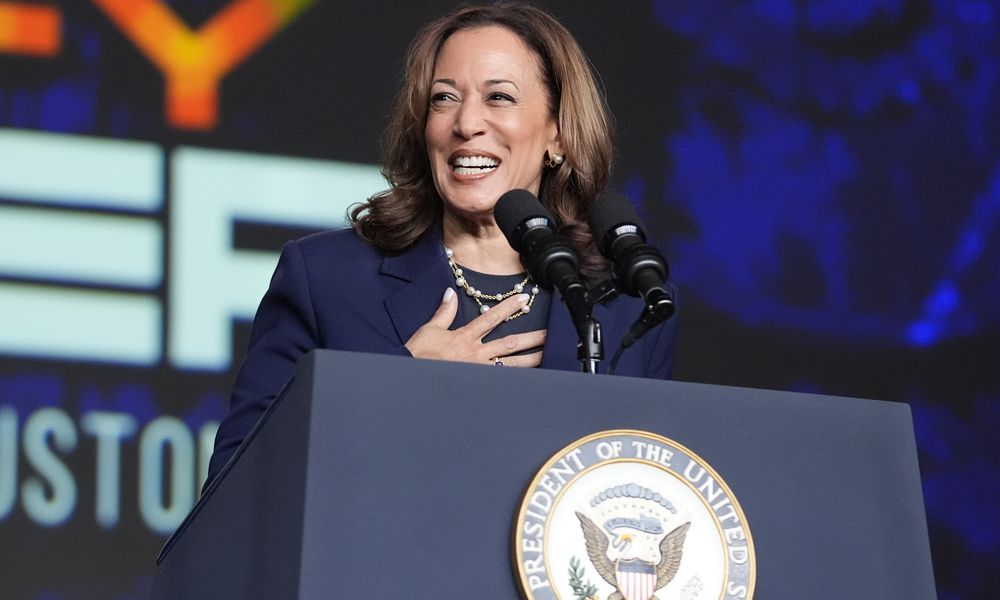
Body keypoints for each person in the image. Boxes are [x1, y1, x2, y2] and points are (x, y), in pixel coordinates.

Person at [205, 2, 678, 486]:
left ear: (556, 134)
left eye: (499, 98)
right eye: (444, 98)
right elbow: (236, 482)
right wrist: (395, 386)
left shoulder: (625, 309)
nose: (466, 123)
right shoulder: (326, 279)